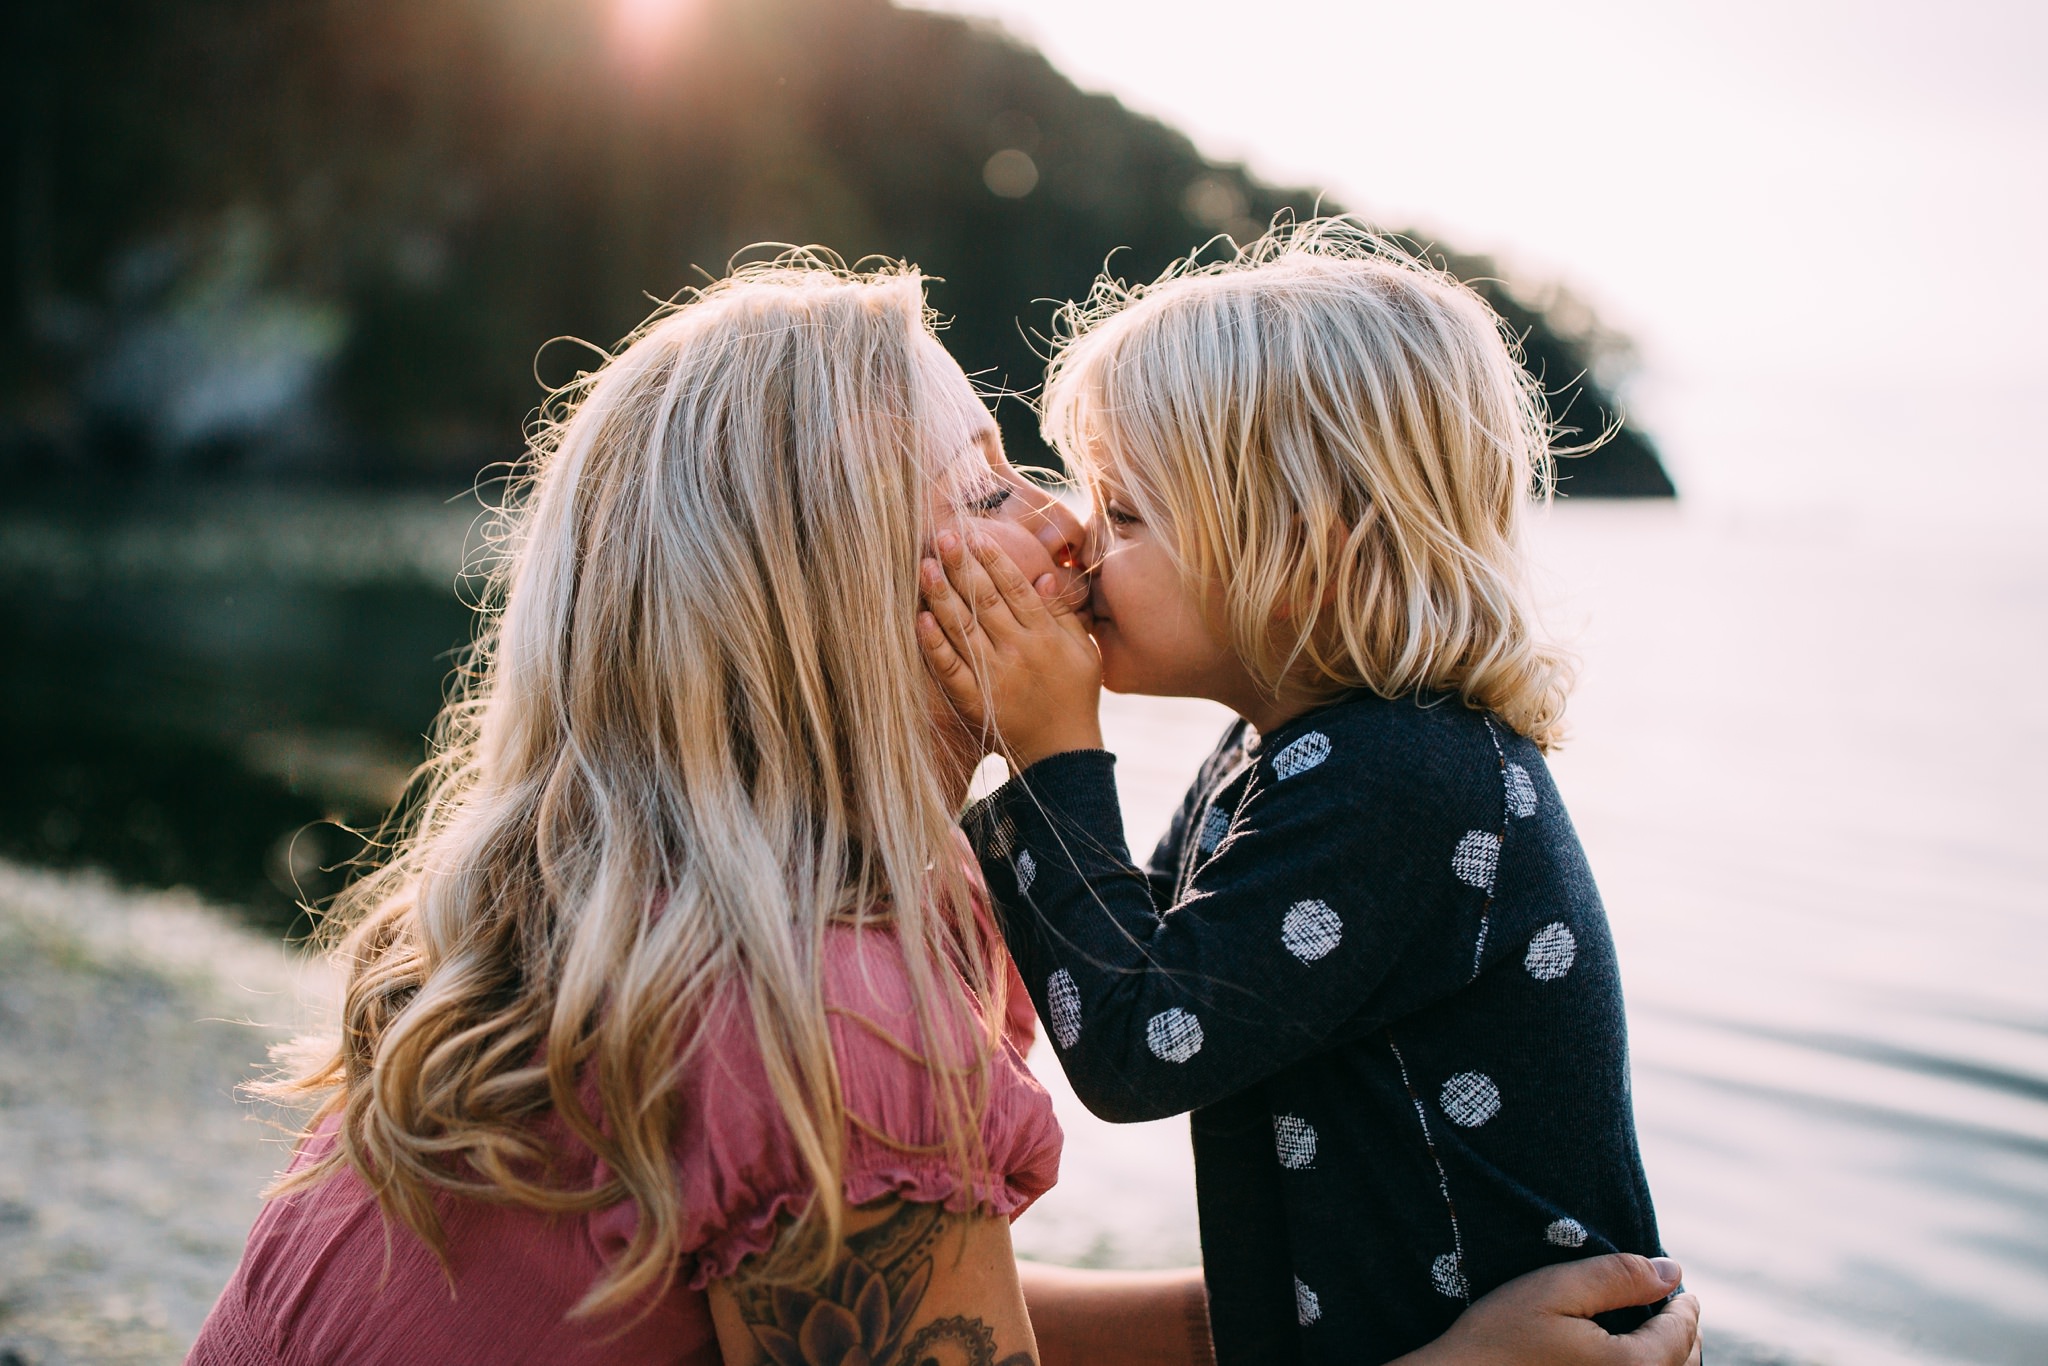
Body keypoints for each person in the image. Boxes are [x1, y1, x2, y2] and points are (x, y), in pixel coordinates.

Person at [189, 254, 1698, 1366]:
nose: (1058, 529)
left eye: (1095, 498)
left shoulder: (634, 919)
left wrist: (1242, 1322)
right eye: (992, 494)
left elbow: (836, 1314)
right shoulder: (829, 1024)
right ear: (826, 598)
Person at [918, 219, 1669, 1365]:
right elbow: (1119, 947)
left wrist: (1043, 751)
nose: (1073, 536)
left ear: (1298, 560)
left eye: (1123, 513)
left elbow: (1133, 1046)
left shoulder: (1408, 776)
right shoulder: (1288, 754)